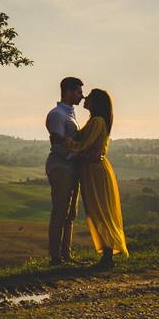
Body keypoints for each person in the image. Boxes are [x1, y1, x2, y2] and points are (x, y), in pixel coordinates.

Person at [57, 88, 127, 270]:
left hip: (95, 170)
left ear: (95, 102)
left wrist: (61, 141)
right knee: (98, 210)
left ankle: (107, 257)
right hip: (92, 170)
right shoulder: (96, 121)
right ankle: (107, 255)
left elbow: (82, 145)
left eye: (88, 97)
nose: (84, 98)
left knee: (100, 210)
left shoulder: (97, 121)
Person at [45, 76, 84, 265]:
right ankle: (56, 258)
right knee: (60, 213)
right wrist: (75, 157)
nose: (82, 96)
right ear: (68, 92)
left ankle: (66, 256)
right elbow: (57, 146)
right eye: (78, 92)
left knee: (70, 215)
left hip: (71, 169)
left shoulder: (69, 113)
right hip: (61, 168)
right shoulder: (57, 115)